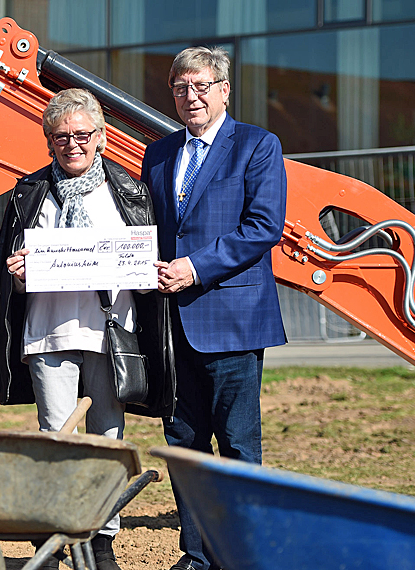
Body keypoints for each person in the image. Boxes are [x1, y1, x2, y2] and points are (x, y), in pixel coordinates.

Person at [0, 88, 173, 570]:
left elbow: (144, 266)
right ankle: (51, 539)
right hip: (47, 332)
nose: (73, 144)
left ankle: (101, 540)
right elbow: (10, 279)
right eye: (61, 136)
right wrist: (18, 275)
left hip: (110, 332)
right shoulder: (28, 193)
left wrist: (144, 271)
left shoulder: (128, 191)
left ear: (102, 137)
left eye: (83, 134)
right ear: (48, 141)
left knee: (107, 438)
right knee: (55, 440)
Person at [140, 46, 287, 570]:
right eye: (181, 87)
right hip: (171, 326)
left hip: (232, 321)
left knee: (238, 446)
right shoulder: (158, 154)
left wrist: (195, 268)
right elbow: (145, 230)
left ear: (224, 90)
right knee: (184, 444)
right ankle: (197, 557)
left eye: (201, 86)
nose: (191, 96)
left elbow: (263, 227)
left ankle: (242, 555)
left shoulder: (257, 146)